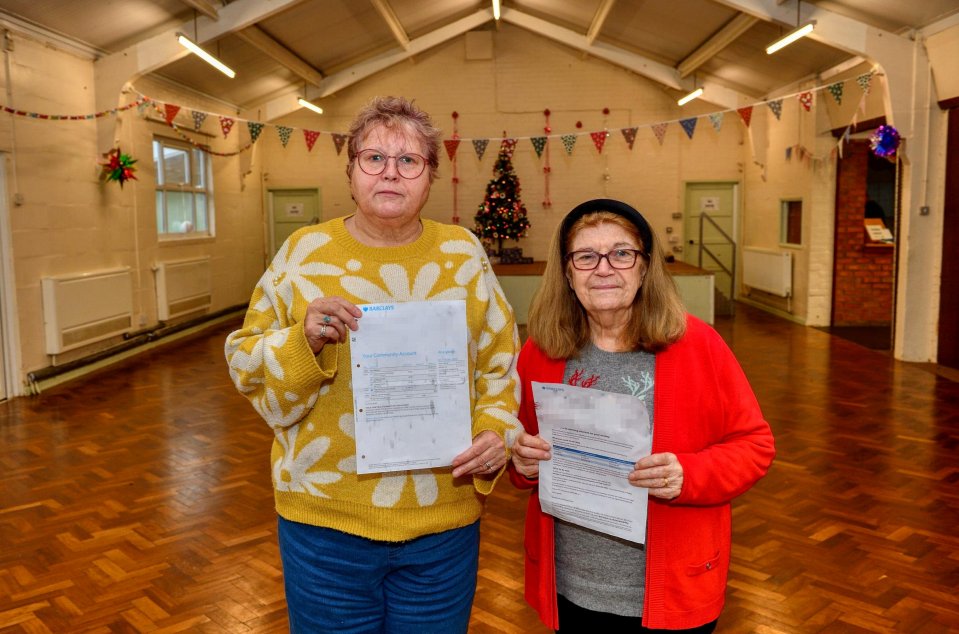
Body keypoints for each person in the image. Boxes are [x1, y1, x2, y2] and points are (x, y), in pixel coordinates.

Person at [225, 96, 521, 633]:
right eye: (374, 158)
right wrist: (302, 342)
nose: (391, 172)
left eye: (409, 161)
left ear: (430, 176)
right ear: (350, 171)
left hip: (441, 527)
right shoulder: (303, 253)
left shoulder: (463, 254)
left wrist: (496, 430)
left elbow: (499, 364)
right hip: (325, 527)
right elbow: (245, 359)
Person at [508, 199, 775, 632]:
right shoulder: (540, 351)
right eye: (586, 256)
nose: (604, 268)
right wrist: (521, 462)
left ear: (645, 267)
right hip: (570, 585)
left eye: (621, 253)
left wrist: (687, 473)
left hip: (672, 588)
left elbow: (755, 446)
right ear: (568, 272)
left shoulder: (698, 346)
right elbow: (522, 455)